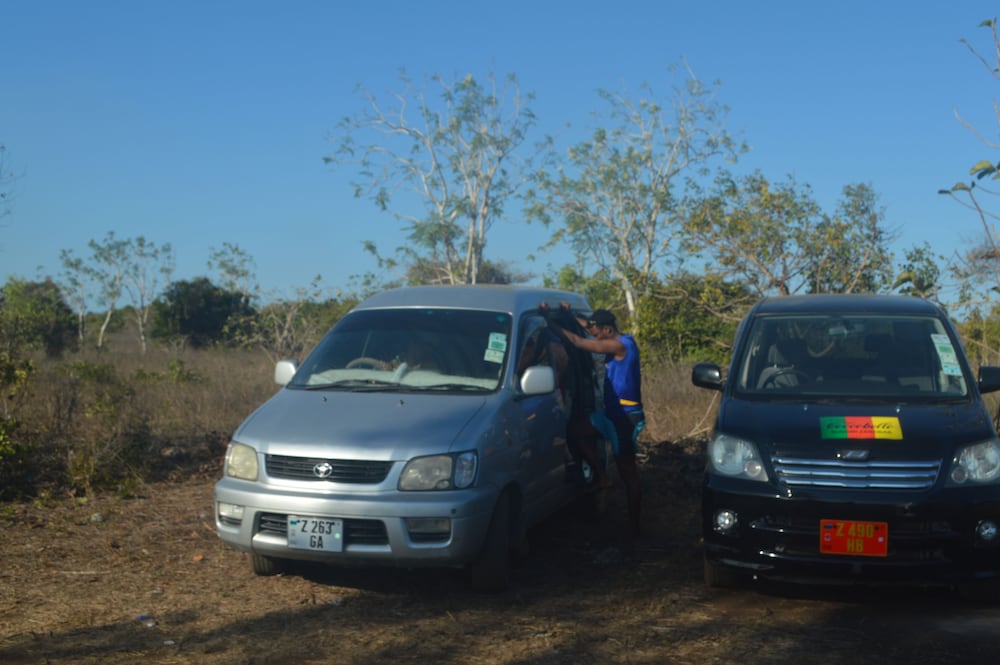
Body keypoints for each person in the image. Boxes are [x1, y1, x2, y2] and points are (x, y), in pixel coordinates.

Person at [550, 307, 644, 540]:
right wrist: (571, 315)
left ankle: (635, 529)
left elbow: (578, 341)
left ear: (608, 329)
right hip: (609, 413)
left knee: (629, 474)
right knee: (574, 432)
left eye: (597, 332)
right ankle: (602, 477)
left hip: (624, 417)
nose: (594, 335)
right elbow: (585, 327)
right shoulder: (611, 336)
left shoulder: (620, 345)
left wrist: (548, 321)